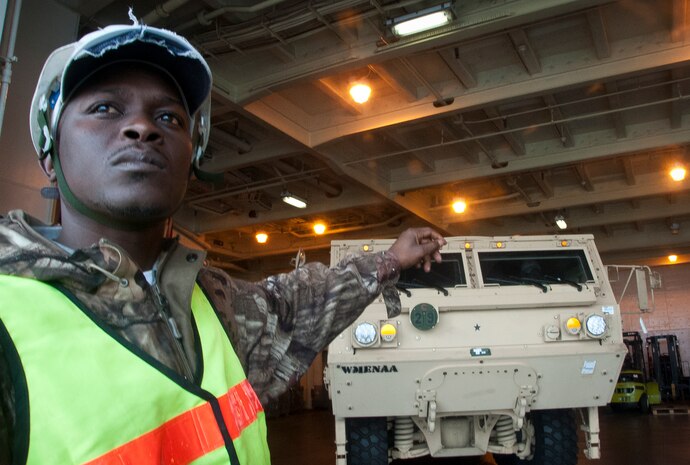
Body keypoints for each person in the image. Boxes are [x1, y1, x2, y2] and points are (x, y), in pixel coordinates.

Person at [0, 20, 446, 465]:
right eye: (104, 109)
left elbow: (303, 303)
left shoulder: (217, 305)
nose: (141, 128)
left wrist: (391, 258)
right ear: (49, 151)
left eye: (168, 118)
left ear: (191, 157)